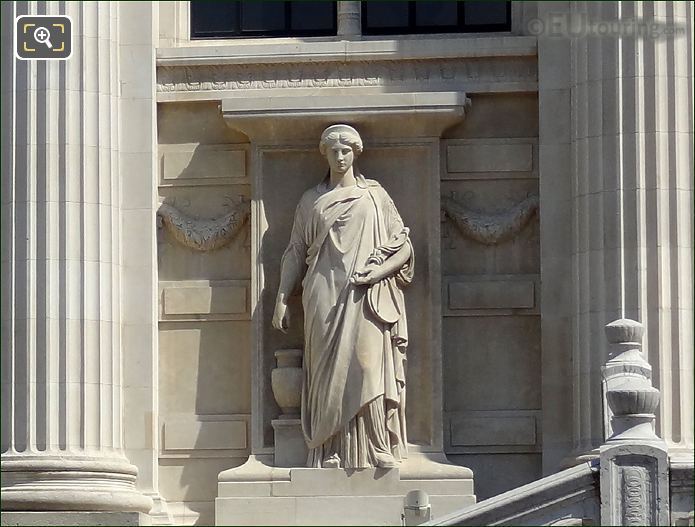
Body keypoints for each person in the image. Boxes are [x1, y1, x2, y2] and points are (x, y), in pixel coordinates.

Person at [272, 124, 414, 469]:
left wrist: (377, 273)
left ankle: (376, 446)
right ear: (325, 155)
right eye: (333, 151)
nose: (339, 156)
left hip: (365, 294)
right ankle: (328, 449)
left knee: (368, 366)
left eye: (346, 150)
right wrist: (281, 297)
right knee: (326, 375)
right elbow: (295, 250)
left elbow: (403, 247)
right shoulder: (312, 200)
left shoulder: (376, 196)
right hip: (323, 294)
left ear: (356, 153)